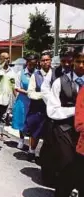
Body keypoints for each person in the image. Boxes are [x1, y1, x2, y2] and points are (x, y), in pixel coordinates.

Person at [52, 47, 84, 197]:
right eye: (78, 61)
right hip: (65, 131)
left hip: (83, 136)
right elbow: (53, 111)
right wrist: (75, 111)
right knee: (66, 170)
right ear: (72, 61)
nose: (81, 65)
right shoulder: (60, 82)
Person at [40, 49, 74, 185]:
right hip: (54, 116)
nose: (66, 64)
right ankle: (48, 176)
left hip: (71, 118)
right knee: (50, 146)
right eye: (63, 61)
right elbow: (44, 90)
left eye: (69, 61)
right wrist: (54, 104)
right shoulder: (53, 73)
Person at [23, 53, 52, 162]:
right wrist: (43, 95)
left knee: (48, 133)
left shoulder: (55, 74)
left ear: (51, 61)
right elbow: (30, 93)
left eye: (47, 60)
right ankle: (31, 151)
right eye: (43, 60)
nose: (45, 62)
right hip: (38, 108)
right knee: (35, 132)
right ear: (40, 62)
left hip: (51, 110)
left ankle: (43, 154)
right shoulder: (36, 75)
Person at [12, 54, 38, 149]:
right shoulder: (20, 73)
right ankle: (21, 140)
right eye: (30, 64)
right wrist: (28, 92)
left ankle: (32, 145)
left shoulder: (38, 73)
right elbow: (17, 87)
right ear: (27, 63)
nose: (32, 66)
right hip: (23, 100)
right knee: (22, 120)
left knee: (33, 122)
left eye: (34, 64)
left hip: (34, 100)